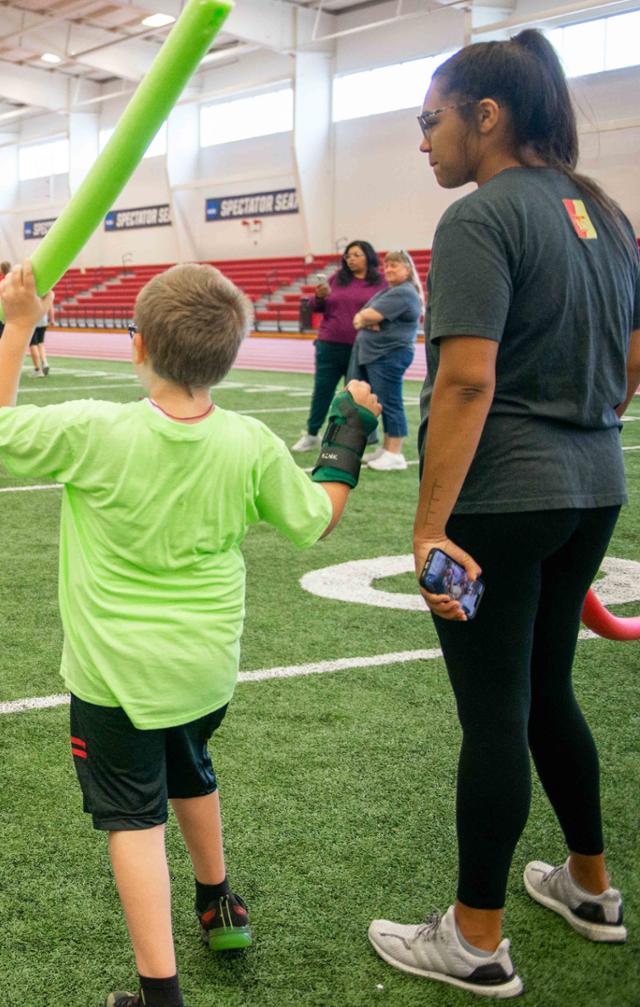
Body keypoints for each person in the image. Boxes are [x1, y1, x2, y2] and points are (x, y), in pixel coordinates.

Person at [0, 261, 381, 1007]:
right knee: (191, 766)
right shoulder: (251, 442)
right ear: (225, 357)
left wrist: (21, 324)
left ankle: (160, 995)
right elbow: (314, 518)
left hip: (116, 679)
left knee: (133, 819)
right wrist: (347, 434)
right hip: (205, 670)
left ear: (137, 347)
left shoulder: (96, 428)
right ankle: (218, 899)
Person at [368, 30, 639, 1000]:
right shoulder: (604, 213)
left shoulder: (480, 219)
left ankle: (475, 937)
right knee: (549, 687)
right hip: (596, 485)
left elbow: (467, 379)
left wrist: (428, 523)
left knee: (495, 713)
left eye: (431, 119)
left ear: (488, 116)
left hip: (505, 498)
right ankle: (591, 886)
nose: (423, 141)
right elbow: (631, 363)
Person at [292, 241, 384, 453]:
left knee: (357, 396)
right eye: (348, 255)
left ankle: (355, 440)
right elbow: (317, 307)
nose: (350, 259)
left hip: (362, 348)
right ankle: (312, 433)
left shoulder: (380, 283)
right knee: (322, 391)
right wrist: (319, 296)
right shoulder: (336, 278)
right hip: (329, 345)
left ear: (368, 257)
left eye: (356, 255)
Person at [349, 249, 422, 472]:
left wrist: (366, 318)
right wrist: (364, 317)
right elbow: (360, 315)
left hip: (388, 355)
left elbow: (368, 315)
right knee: (384, 400)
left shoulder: (403, 293)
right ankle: (387, 448)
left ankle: (395, 453)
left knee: (390, 402)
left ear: (407, 269)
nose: (388, 269)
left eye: (395, 265)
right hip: (378, 354)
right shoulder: (392, 291)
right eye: (387, 265)